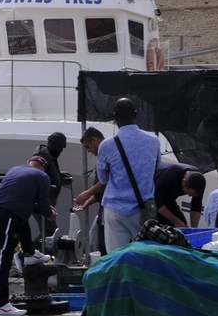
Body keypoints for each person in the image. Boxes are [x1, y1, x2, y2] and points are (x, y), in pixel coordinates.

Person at [87, 98, 160, 250]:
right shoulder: (154, 140)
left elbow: (103, 178)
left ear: (115, 118)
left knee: (117, 258)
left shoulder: (106, 145)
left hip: (116, 210)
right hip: (143, 210)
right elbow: (156, 168)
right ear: (135, 114)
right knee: (143, 256)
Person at [0, 153, 54, 316]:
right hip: (7, 215)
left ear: (28, 163)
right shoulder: (43, 176)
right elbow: (44, 204)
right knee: (3, 259)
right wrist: (50, 213)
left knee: (23, 219)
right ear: (43, 168)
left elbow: (26, 203)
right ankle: (1, 305)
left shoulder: (15, 170)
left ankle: (31, 254)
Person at [35, 132, 68, 241]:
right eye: (59, 147)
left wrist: (59, 177)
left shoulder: (51, 157)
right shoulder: (42, 157)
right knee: (51, 233)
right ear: (50, 143)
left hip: (46, 204)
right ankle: (26, 254)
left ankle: (29, 253)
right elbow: (36, 177)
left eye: (62, 148)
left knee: (48, 233)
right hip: (42, 203)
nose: (60, 150)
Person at [153, 163, 206, 228]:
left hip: (169, 199)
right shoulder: (168, 175)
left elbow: (196, 206)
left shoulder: (199, 180)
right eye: (188, 193)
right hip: (152, 198)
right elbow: (157, 202)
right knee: (163, 225)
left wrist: (193, 230)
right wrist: (176, 222)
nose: (189, 196)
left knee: (183, 225)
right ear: (183, 182)